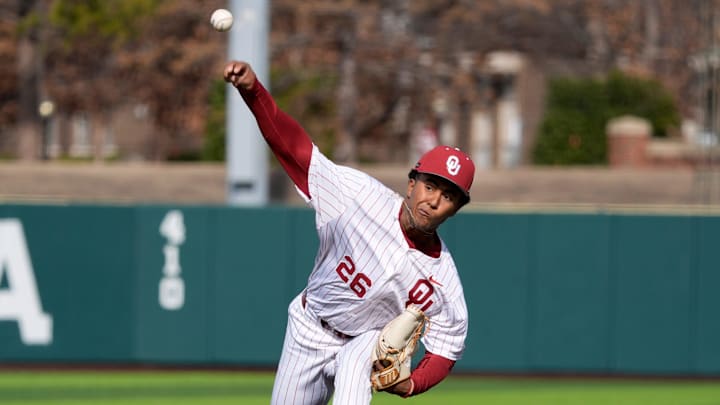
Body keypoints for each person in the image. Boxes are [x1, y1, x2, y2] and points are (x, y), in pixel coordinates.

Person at [224, 61, 476, 405]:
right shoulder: (357, 196)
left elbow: (447, 347)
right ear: (411, 183)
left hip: (364, 342)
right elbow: (294, 149)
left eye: (448, 196)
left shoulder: (442, 279)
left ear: (456, 209)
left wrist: (412, 385)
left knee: (357, 358)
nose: (433, 201)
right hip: (310, 328)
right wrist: (253, 92)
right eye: (430, 186)